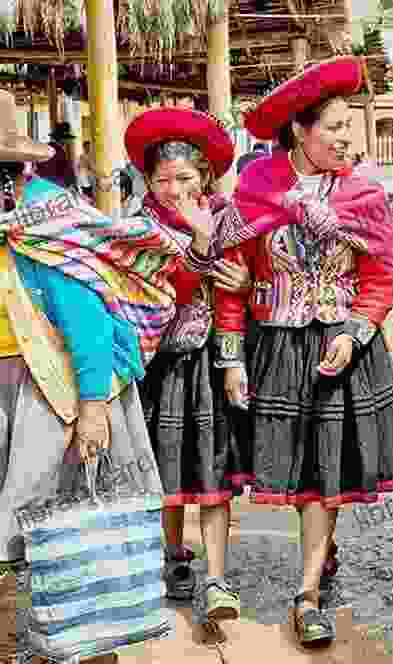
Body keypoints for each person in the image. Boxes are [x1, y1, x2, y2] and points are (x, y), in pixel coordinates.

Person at [216, 55, 393, 646]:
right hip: (275, 346)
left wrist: (355, 333)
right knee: (296, 471)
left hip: (338, 347)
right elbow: (233, 276)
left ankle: (306, 594)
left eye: (347, 125)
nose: (345, 137)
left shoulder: (364, 194)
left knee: (324, 474)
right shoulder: (256, 190)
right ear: (298, 132)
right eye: (332, 126)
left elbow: (382, 278)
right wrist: (231, 358)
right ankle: (318, 554)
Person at [0, 90, 181, 662]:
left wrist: (94, 407)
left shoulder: (43, 221)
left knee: (61, 534)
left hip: (49, 393)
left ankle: (85, 644)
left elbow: (86, 321)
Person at [124, 107, 254, 625]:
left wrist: (232, 356)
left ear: (204, 176)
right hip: (160, 362)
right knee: (167, 467)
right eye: (162, 180)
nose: (174, 189)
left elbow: (234, 293)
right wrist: (198, 247)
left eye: (184, 177)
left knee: (213, 470)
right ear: (148, 183)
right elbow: (160, 294)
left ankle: (218, 576)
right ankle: (173, 553)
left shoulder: (228, 218)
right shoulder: (141, 227)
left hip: (211, 361)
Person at [34, 122, 78, 190]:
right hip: (55, 186)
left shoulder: (44, 147)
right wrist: (72, 184)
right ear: (63, 139)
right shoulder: (60, 152)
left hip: (40, 185)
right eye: (67, 139)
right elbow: (66, 172)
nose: (68, 141)